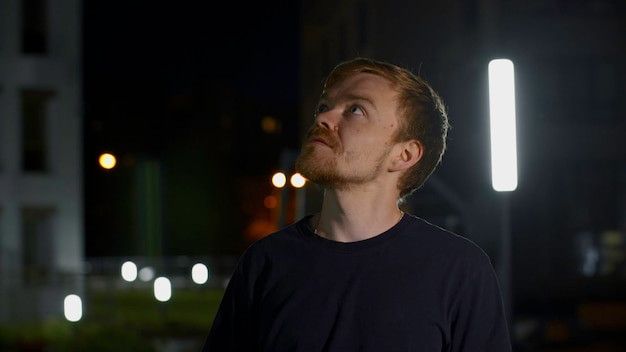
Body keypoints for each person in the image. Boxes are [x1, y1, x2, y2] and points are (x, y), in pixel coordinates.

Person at [202, 57, 512, 351]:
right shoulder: (265, 263)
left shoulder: (459, 270)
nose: (323, 117)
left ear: (403, 155)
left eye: (355, 110)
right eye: (324, 106)